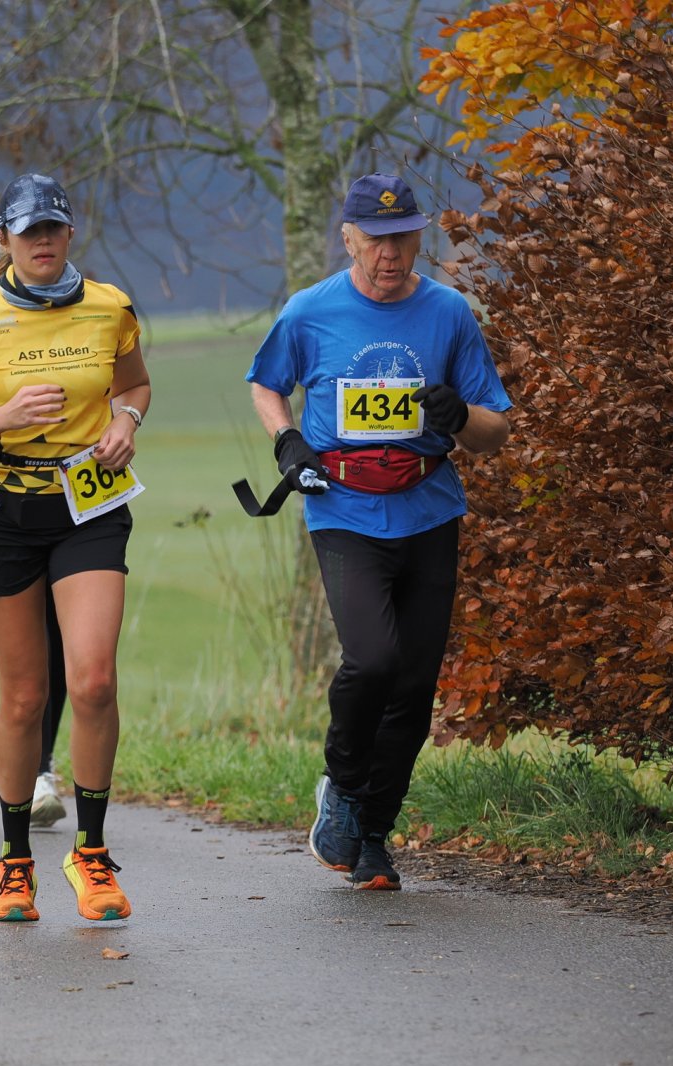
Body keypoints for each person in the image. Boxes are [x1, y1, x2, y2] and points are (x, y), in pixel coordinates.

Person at [245, 173, 512, 890]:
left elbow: (495, 432)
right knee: (373, 660)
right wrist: (287, 442)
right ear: (349, 239)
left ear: (419, 238)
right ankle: (341, 784)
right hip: (343, 509)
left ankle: (371, 835)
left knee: (415, 685)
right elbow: (266, 383)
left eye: (402, 238)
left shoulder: (448, 313)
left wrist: (459, 416)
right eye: (375, 240)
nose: (389, 254)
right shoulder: (311, 311)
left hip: (428, 509)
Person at [0, 173, 151, 921]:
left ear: (70, 233)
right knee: (24, 697)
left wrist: (126, 422)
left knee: (95, 682)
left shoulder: (111, 307)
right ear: (4, 240)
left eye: (53, 228)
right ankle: (15, 864)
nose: (42, 241)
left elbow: (134, 386)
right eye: (27, 230)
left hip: (88, 507)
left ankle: (92, 855)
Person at [0, 391, 70, 829]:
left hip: (83, 505)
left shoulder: (98, 341)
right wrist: (1, 421)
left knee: (64, 641)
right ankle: (32, 777)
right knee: (28, 660)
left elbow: (125, 392)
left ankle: (41, 769)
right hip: (4, 511)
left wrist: (124, 420)